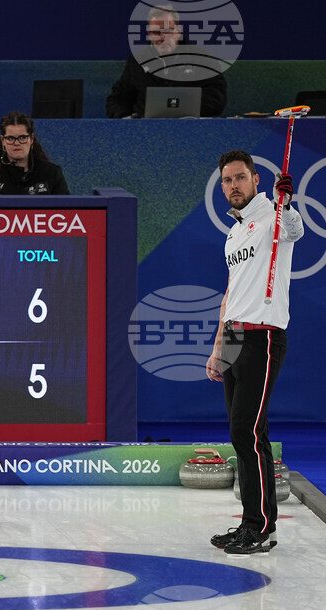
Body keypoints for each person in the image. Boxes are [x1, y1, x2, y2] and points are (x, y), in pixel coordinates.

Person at [206, 149, 303, 554]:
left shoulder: (273, 215)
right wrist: (217, 347)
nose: (234, 186)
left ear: (255, 179)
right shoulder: (234, 232)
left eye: (240, 178)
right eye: (227, 180)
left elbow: (294, 230)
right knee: (242, 432)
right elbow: (230, 293)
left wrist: (287, 203)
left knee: (247, 431)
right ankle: (251, 522)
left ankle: (260, 528)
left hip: (261, 338)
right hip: (233, 336)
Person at [106, 4, 227, 118]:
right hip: (146, 129)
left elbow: (217, 99)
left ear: (178, 31)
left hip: (191, 127)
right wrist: (124, 118)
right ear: (149, 34)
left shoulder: (202, 59)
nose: (162, 38)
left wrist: (182, 107)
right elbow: (117, 99)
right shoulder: (137, 61)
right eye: (156, 32)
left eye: (168, 31)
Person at [0, 111, 69, 195]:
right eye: (10, 138)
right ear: (3, 141)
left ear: (31, 139)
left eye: (22, 137)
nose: (16, 143)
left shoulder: (51, 173)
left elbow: (67, 210)